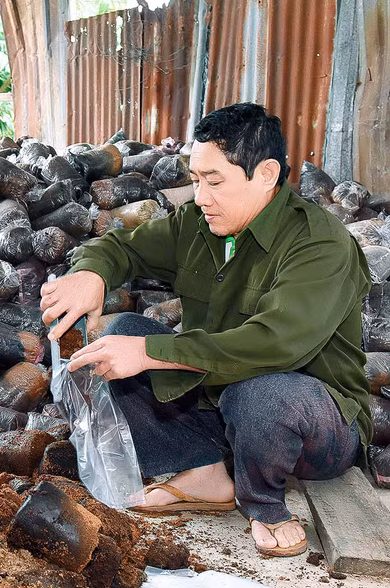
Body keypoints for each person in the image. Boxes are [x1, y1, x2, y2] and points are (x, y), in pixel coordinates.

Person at [40, 103, 372, 557]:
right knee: (122, 333)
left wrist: (149, 353)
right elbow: (122, 247)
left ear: (266, 174)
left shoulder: (320, 244)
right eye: (196, 180)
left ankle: (264, 503)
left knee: (258, 391)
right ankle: (205, 471)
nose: (200, 197)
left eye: (214, 182)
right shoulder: (200, 224)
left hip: (314, 423)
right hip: (224, 406)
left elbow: (273, 344)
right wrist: (91, 275)